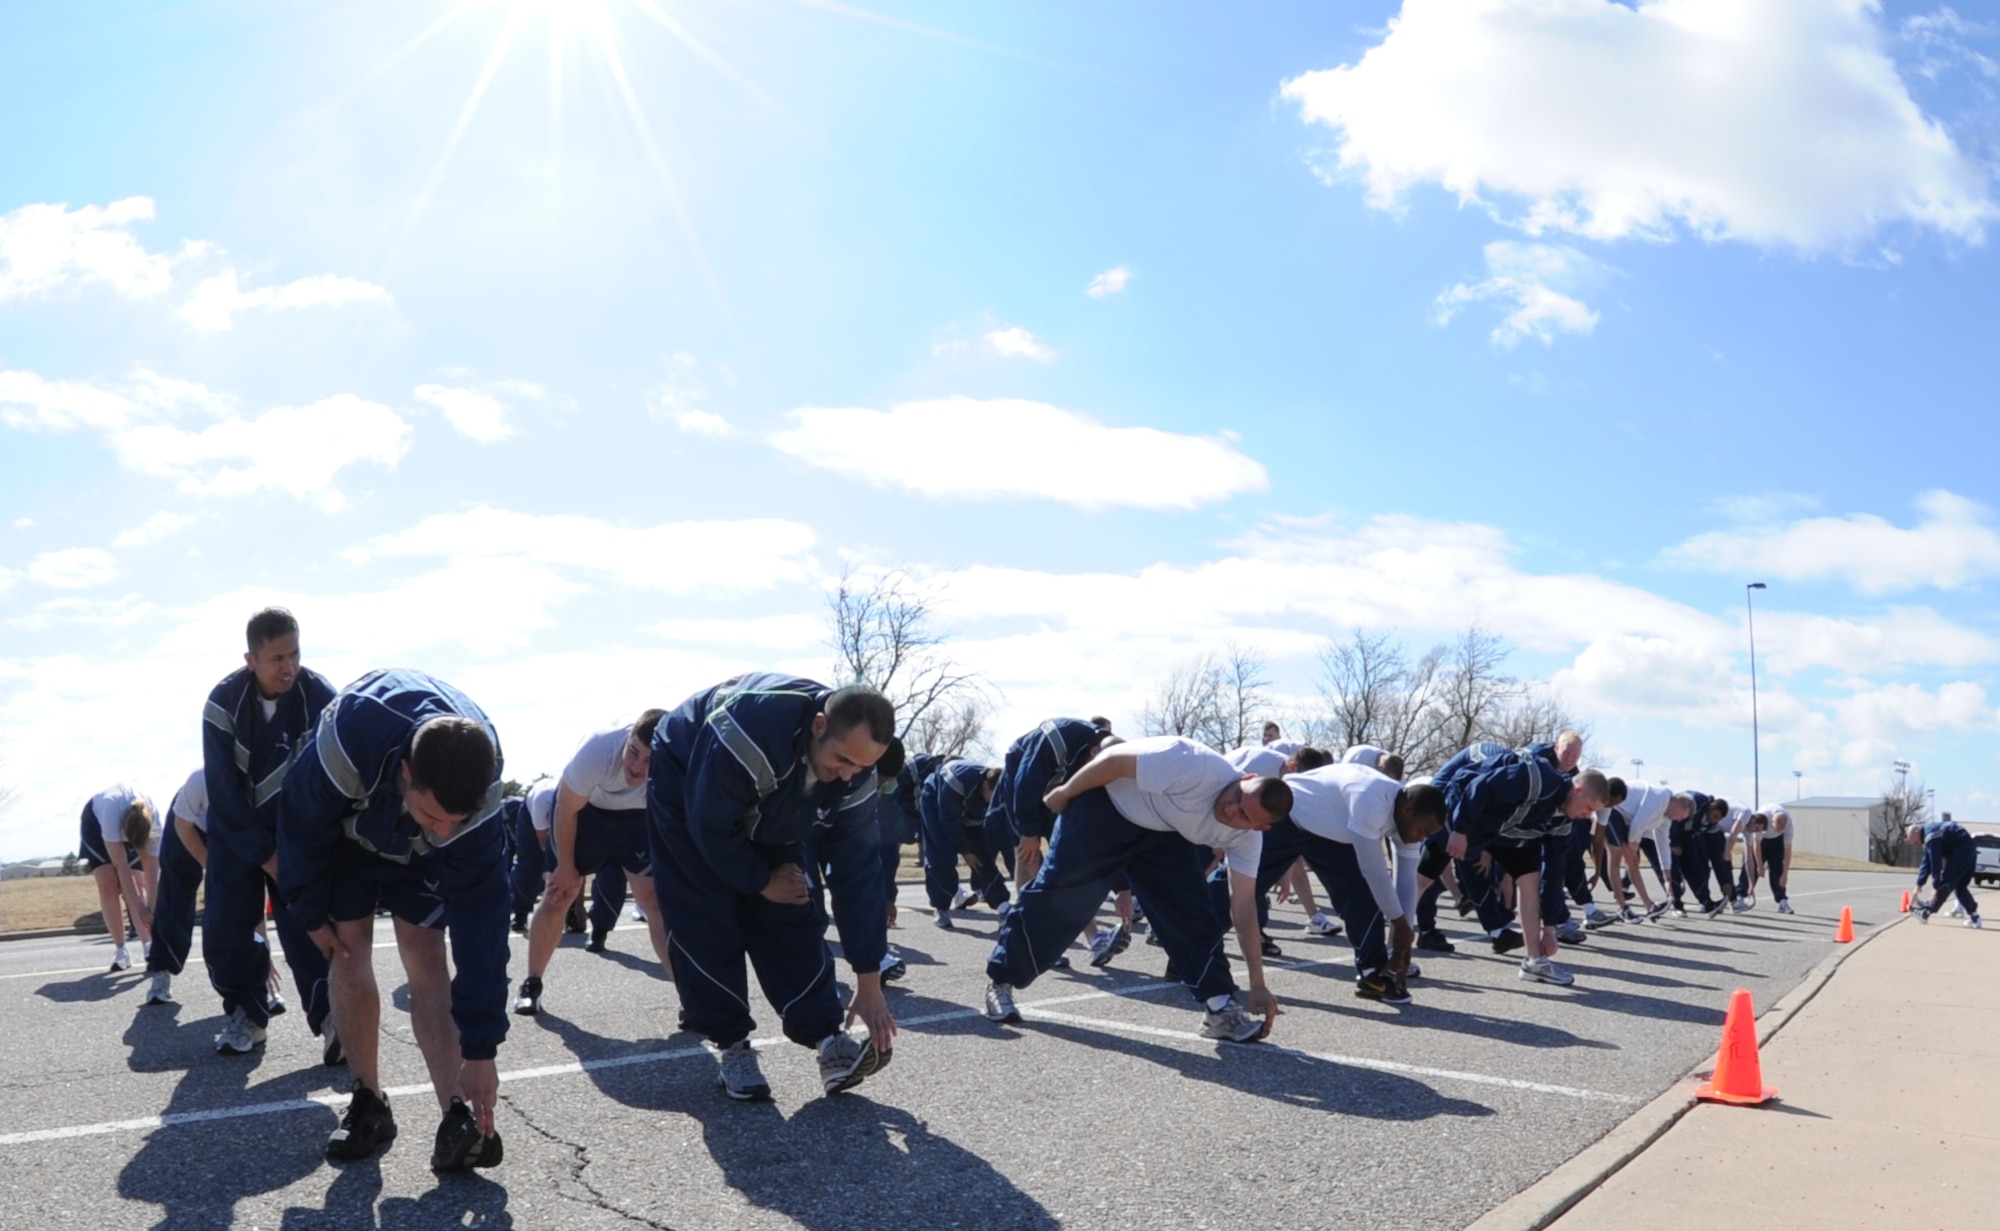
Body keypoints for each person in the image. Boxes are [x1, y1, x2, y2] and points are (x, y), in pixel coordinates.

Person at [277, 668, 511, 1170]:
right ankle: (368, 1101)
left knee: (427, 952)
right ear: (407, 772)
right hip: (346, 833)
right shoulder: (350, 736)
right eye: (433, 817)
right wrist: (309, 910)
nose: (443, 830)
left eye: (456, 822)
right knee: (347, 947)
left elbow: (483, 928)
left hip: (416, 850)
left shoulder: (478, 793)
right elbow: (299, 824)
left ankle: (455, 1113)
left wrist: (482, 1049)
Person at [647, 674, 897, 1101]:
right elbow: (711, 829)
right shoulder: (746, 731)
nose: (846, 776)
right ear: (819, 725)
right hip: (690, 779)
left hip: (774, 792)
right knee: (706, 913)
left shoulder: (854, 773)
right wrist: (760, 880)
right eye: (841, 760)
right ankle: (733, 1045)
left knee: (796, 905)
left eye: (861, 766)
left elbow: (858, 875)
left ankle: (826, 1039)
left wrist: (868, 977)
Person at [982, 735, 1292, 1043]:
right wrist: (1065, 793)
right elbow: (1113, 761)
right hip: (1105, 807)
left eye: (1242, 815)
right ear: (1247, 777)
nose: (1230, 808)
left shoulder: (1247, 839)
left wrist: (1258, 982)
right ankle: (1001, 981)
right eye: (1238, 795)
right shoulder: (1194, 764)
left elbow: (1243, 908)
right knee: (1059, 898)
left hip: (1164, 832)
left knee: (1192, 912)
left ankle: (1220, 1008)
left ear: (1259, 827)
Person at [202, 607, 338, 1059]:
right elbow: (222, 792)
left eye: (295, 654)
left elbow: (332, 777)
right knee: (228, 926)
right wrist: (265, 854)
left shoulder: (321, 697)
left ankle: (333, 1018)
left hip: (297, 829)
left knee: (309, 922)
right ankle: (247, 1015)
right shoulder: (221, 705)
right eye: (277, 657)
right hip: (235, 832)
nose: (289, 667)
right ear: (251, 660)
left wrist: (296, 854)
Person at [513, 712, 674, 1017]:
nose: (637, 768)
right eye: (634, 753)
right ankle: (531, 983)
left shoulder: (680, 755)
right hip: (587, 812)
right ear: (627, 741)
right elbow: (566, 811)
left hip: (638, 817)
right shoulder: (598, 748)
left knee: (655, 901)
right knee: (559, 893)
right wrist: (565, 866)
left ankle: (690, 996)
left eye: (649, 761)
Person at [1246, 763, 1446, 1005]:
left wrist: (1403, 937)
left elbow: (1406, 883)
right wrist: (1400, 925)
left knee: (1361, 897)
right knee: (1240, 889)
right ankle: (1193, 946)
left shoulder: (1410, 822)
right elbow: (1376, 873)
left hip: (1329, 832)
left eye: (1427, 835)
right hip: (1288, 816)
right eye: (1422, 831)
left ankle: (1373, 974)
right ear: (1407, 810)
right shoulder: (1370, 800)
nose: (1421, 838)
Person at [1434, 738, 1611, 986]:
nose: (1588, 816)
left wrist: (1550, 928)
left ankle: (1534, 963)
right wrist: (1460, 831)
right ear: (1578, 791)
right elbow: (1480, 787)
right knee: (1422, 876)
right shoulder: (1536, 777)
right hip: (1460, 812)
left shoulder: (1564, 821)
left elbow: (1554, 874)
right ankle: (1393, 950)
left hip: (1499, 831)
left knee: (1530, 876)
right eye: (1589, 807)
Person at [986, 718, 1123, 964]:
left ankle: (1094, 939)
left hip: (1060, 790)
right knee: (1028, 855)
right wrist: (1029, 831)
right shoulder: (1057, 738)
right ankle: (1036, 941)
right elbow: (1027, 780)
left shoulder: (1110, 758)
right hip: (1022, 785)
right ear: (1094, 753)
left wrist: (1122, 885)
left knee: (1074, 860)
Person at [142, 769, 209, 1006]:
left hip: (234, 831)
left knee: (238, 900)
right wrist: (210, 866)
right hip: (186, 824)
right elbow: (183, 827)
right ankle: (161, 971)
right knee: (174, 895)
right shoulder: (200, 781)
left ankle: (255, 989)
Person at [78, 784, 158, 973]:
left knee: (138, 882)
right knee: (109, 883)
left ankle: (149, 946)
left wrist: (150, 908)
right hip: (96, 824)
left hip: (136, 823)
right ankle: (121, 950)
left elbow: (153, 870)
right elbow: (121, 866)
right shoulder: (110, 815)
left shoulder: (155, 820)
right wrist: (138, 907)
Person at [920, 759, 1006, 929]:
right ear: (986, 786)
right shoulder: (957, 779)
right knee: (942, 856)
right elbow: (948, 822)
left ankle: (1003, 906)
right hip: (937, 804)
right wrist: (965, 851)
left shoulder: (998, 789)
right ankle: (941, 908)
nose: (994, 802)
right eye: (994, 797)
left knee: (983, 856)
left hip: (968, 808)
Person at [1910, 819, 1981, 927]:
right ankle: (1975, 917)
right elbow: (1926, 861)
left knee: (1946, 884)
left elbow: (1935, 862)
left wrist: (1936, 886)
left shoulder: (1931, 835)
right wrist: (1918, 884)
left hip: (1961, 850)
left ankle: (1926, 913)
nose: (1916, 844)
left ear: (1917, 831)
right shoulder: (1929, 833)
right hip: (1970, 850)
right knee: (1960, 887)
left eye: (1915, 841)